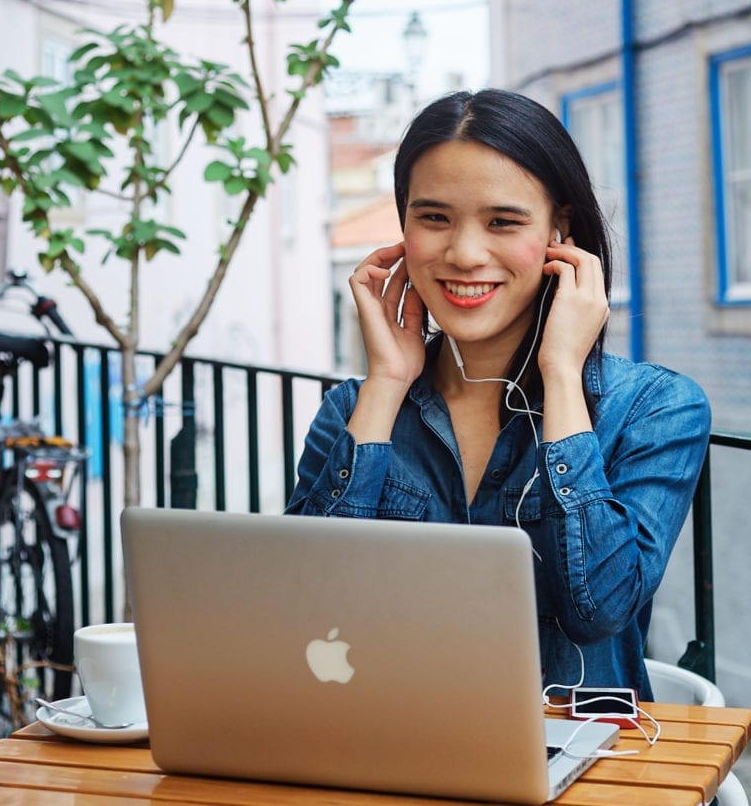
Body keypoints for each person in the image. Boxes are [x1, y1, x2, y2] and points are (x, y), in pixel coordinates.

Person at [286, 88, 710, 700]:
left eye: (502, 222)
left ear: (559, 230)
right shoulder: (353, 414)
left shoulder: (655, 408)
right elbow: (300, 608)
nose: (463, 253)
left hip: (577, 771)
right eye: (434, 218)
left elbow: (599, 610)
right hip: (381, 752)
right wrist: (383, 384)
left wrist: (562, 375)